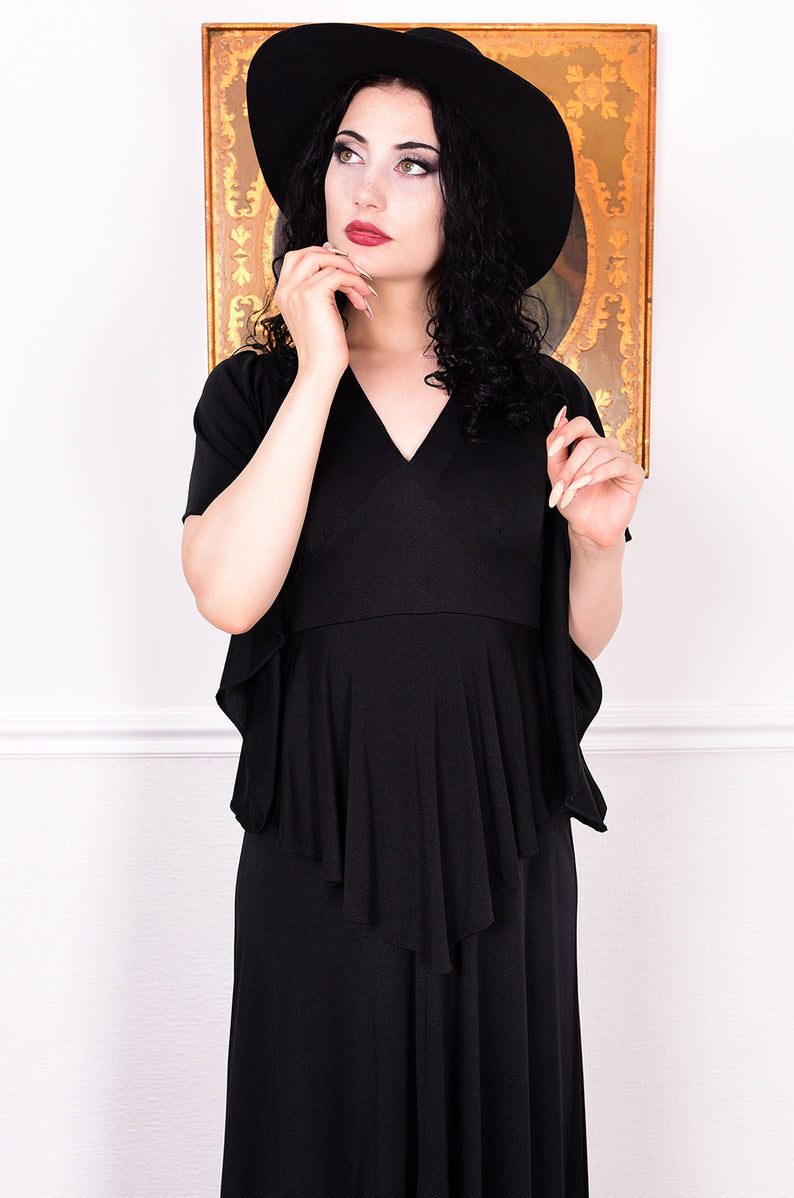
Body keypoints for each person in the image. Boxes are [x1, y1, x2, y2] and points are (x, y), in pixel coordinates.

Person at [181, 23, 644, 1198]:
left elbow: (571, 635)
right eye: (347, 152)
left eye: (412, 161)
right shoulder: (251, 393)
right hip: (316, 840)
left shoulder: (539, 397)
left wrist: (595, 545)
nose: (367, 187)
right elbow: (229, 590)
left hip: (501, 838)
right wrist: (319, 366)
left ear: (462, 198)